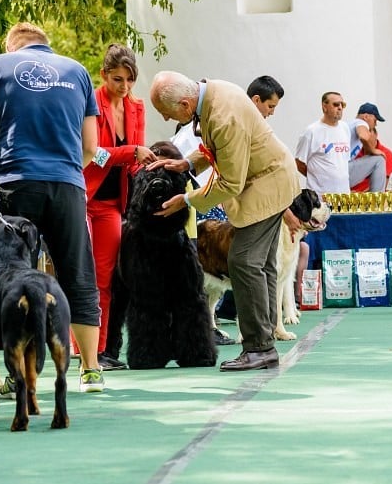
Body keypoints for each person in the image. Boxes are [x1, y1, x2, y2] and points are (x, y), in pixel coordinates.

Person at [0, 22, 105, 392]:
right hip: (67, 184)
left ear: (11, 46)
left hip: (16, 182)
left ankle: (5, 375)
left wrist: (10, 133)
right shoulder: (78, 71)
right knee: (77, 273)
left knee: (6, 276)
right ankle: (90, 369)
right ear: (47, 45)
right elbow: (90, 145)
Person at [148, 71, 302, 371]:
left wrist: (187, 200)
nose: (167, 120)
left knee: (244, 261)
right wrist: (188, 162)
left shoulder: (222, 116)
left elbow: (230, 183)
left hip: (267, 185)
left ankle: (259, 348)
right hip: (273, 179)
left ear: (183, 103)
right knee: (262, 264)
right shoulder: (214, 93)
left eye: (166, 114)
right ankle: (265, 340)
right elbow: (214, 148)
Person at [83, 44, 156, 371]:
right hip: (85, 196)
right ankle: (81, 346)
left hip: (116, 203)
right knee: (83, 275)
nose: (124, 86)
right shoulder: (89, 103)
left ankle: (99, 351)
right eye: (117, 79)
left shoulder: (137, 108)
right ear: (103, 75)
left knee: (106, 276)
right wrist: (130, 152)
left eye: (129, 79)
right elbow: (92, 153)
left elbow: (136, 162)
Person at [294, 92, 351, 194]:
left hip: (344, 197)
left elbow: (344, 160)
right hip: (320, 198)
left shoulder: (345, 128)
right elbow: (299, 162)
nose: (340, 108)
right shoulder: (311, 132)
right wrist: (317, 177)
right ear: (324, 107)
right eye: (336, 104)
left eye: (343, 105)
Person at [348, 102, 387, 191]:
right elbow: (363, 136)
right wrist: (373, 150)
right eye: (375, 120)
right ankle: (376, 202)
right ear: (366, 117)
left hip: (333, 173)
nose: (375, 124)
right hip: (341, 171)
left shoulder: (349, 124)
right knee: (379, 160)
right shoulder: (360, 122)